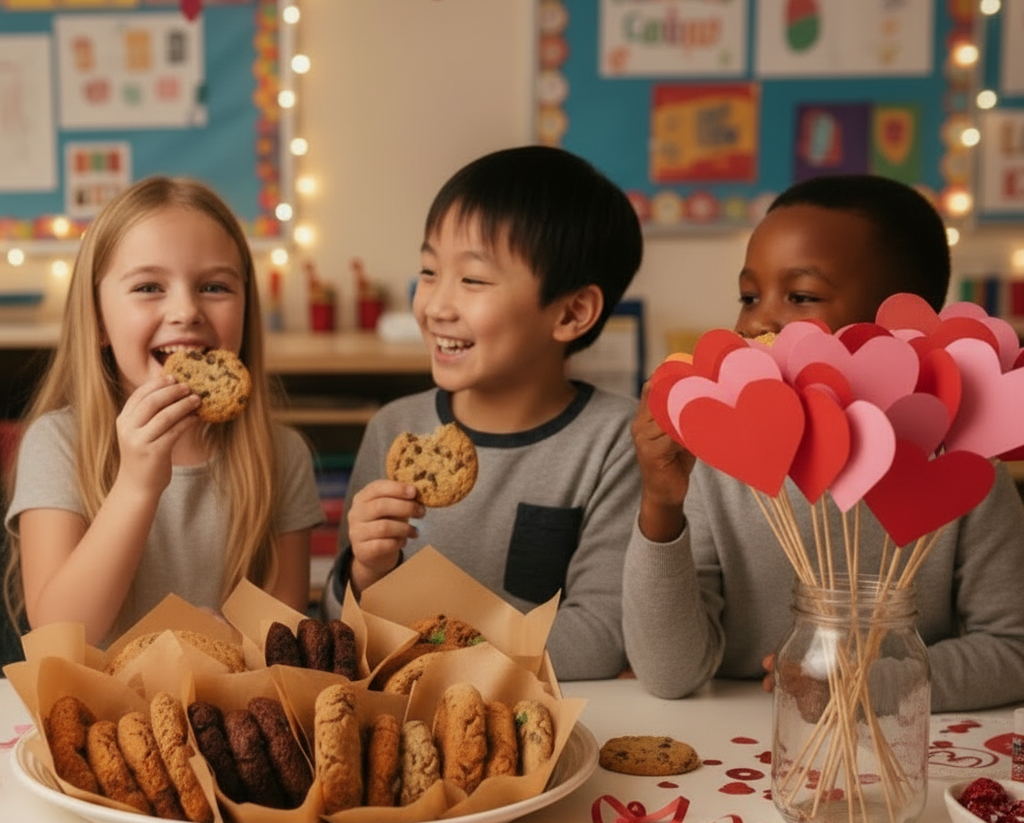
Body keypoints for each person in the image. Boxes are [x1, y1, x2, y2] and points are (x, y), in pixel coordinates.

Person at [624, 173, 1024, 711]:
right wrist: (661, 502)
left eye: (801, 296)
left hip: (892, 738)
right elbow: (668, 674)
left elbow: (1013, 651)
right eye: (748, 296)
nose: (757, 320)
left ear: (900, 328)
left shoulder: (963, 467)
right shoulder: (715, 462)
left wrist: (866, 684)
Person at [321, 145, 644, 680]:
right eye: (429, 271)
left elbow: (598, 638)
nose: (435, 306)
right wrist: (367, 570)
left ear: (571, 312)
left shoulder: (613, 442)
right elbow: (339, 631)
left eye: (472, 280)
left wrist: (438, 651)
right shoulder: (395, 430)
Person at [3, 176, 324, 647]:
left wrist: (230, 640)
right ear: (98, 320)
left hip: (229, 692)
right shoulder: (58, 444)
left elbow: (284, 626)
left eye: (214, 286)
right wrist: (137, 484)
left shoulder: (280, 454)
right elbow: (58, 634)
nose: (186, 310)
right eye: (149, 286)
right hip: (102, 696)